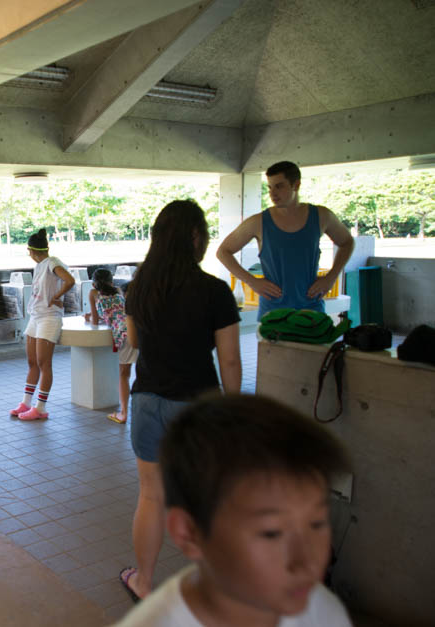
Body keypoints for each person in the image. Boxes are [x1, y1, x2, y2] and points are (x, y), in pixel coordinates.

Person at [117, 394, 353, 627]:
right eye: (271, 533)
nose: (307, 560)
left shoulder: (322, 610)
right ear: (189, 533)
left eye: (317, 524)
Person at [120, 200, 242, 602]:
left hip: (147, 401)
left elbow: (135, 343)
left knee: (151, 496)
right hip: (197, 407)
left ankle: (144, 582)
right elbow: (228, 358)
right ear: (194, 237)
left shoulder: (139, 287)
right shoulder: (213, 290)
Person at [216, 161, 354, 320]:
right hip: (273, 312)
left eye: (279, 186)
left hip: (311, 309)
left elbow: (347, 243)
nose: (273, 193)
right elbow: (223, 252)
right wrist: (252, 282)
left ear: (296, 184)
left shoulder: (321, 216)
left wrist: (331, 277)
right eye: (270, 187)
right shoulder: (258, 222)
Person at [10, 228, 75, 421]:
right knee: (32, 362)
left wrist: (57, 297)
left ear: (32, 250)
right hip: (36, 316)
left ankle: (41, 408)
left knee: (44, 363)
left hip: (49, 317)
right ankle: (26, 402)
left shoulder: (52, 262)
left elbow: (69, 280)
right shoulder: (40, 265)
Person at [86, 268, 137, 424]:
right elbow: (120, 310)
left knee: (124, 374)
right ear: (112, 280)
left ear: (94, 283)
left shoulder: (93, 293)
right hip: (136, 326)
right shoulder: (118, 290)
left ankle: (123, 413)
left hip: (122, 332)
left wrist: (88, 318)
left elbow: (95, 320)